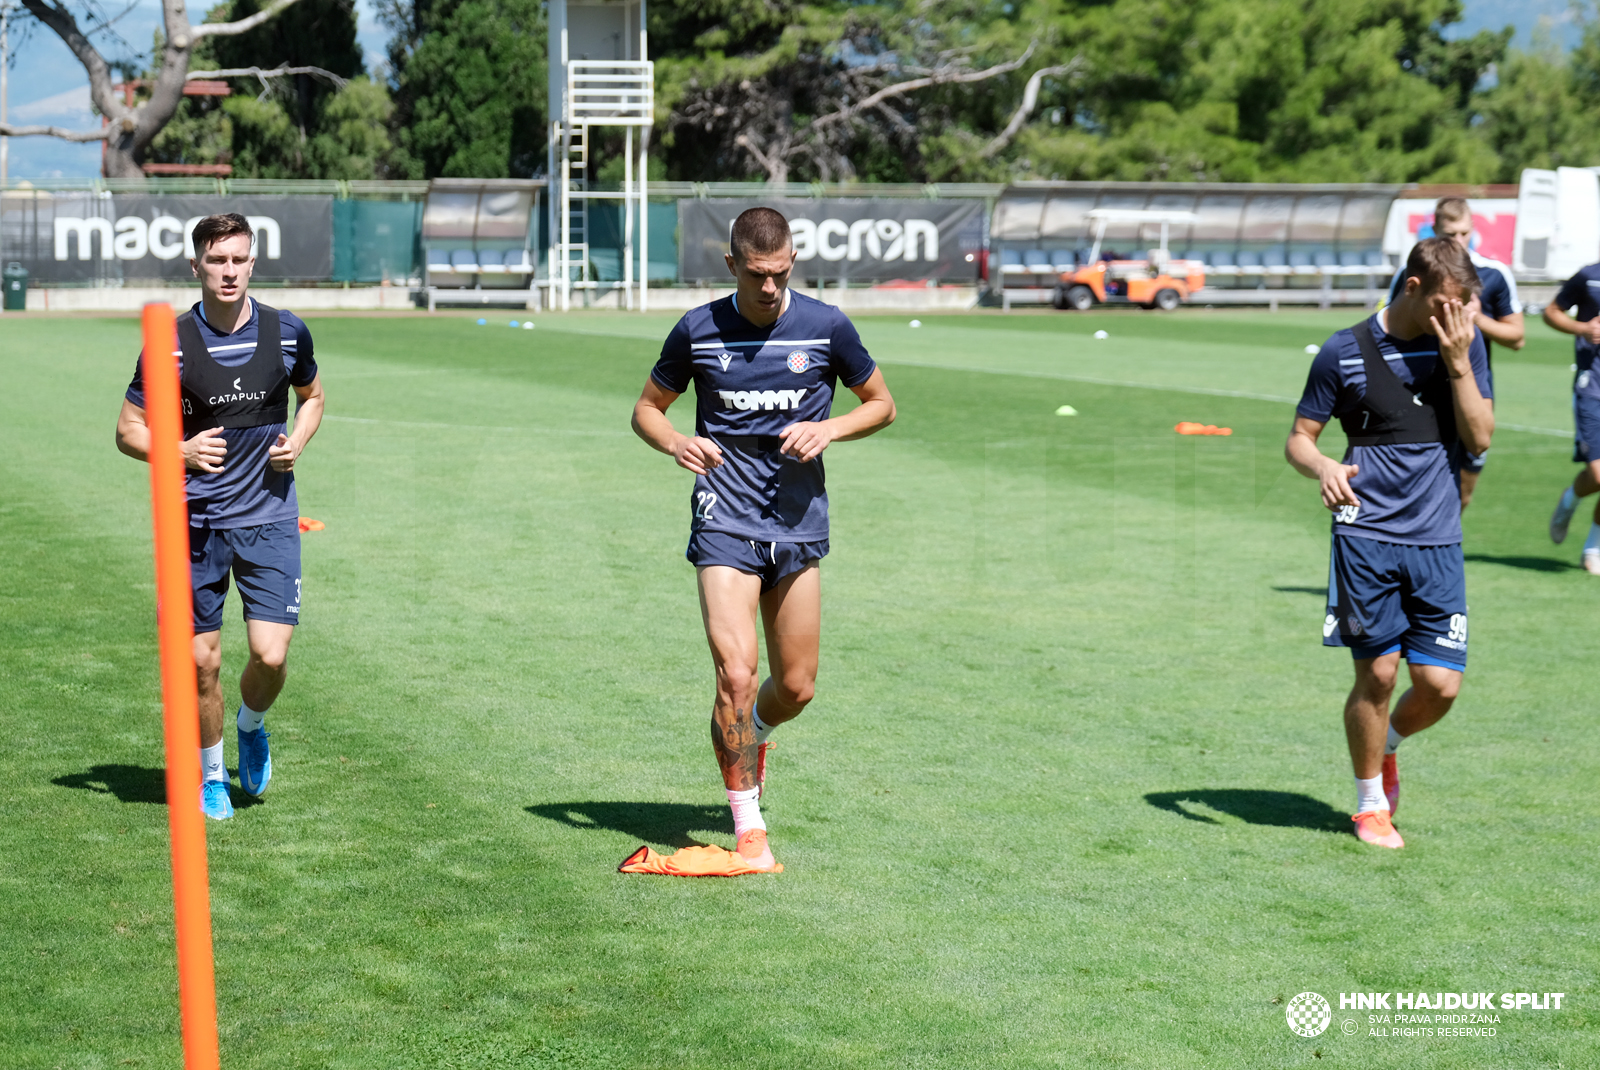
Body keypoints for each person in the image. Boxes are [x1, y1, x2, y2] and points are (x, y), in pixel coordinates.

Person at [631, 207, 896, 872]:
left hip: (799, 522)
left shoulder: (826, 326)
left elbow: (881, 403)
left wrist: (830, 429)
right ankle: (750, 835)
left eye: (781, 273)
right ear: (732, 265)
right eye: (758, 275)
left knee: (797, 686)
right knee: (737, 676)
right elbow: (646, 409)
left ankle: (755, 738)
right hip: (724, 518)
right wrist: (676, 443)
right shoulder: (697, 330)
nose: (771, 287)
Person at [1287, 237, 1493, 850]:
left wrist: (1458, 361)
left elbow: (1479, 437)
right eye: (1449, 304)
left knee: (1439, 685)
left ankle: (1391, 747)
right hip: (1365, 535)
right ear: (1412, 289)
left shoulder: (1465, 343)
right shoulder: (1343, 351)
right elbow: (1299, 437)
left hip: (1436, 538)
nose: (1461, 317)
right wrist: (1322, 466)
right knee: (1376, 674)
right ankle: (1370, 804)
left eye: (1467, 305)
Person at [115, 213, 324, 820]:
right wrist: (176, 450)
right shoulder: (170, 343)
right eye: (216, 259)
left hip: (269, 516)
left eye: (238, 258)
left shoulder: (288, 332)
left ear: (252, 261)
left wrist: (300, 440)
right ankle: (211, 774)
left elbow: (312, 398)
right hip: (194, 525)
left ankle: (252, 724)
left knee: (271, 655)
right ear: (197, 266)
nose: (228, 270)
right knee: (200, 661)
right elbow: (128, 430)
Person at [1386, 197, 1523, 509]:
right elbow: (1390, 325)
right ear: (1434, 230)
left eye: (1464, 233)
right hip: (1418, 389)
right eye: (1450, 235)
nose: (1459, 241)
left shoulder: (1494, 273)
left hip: (1473, 388)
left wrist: (1476, 319)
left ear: (1473, 229)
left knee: (1461, 493)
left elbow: (1517, 338)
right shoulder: (1408, 274)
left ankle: (1442, 544)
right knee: (1408, 481)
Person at [1542, 261, 1600, 573]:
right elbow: (1551, 312)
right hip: (1593, 387)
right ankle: (1570, 500)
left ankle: (1593, 548)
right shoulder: (1589, 277)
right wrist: (1584, 328)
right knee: (1599, 475)